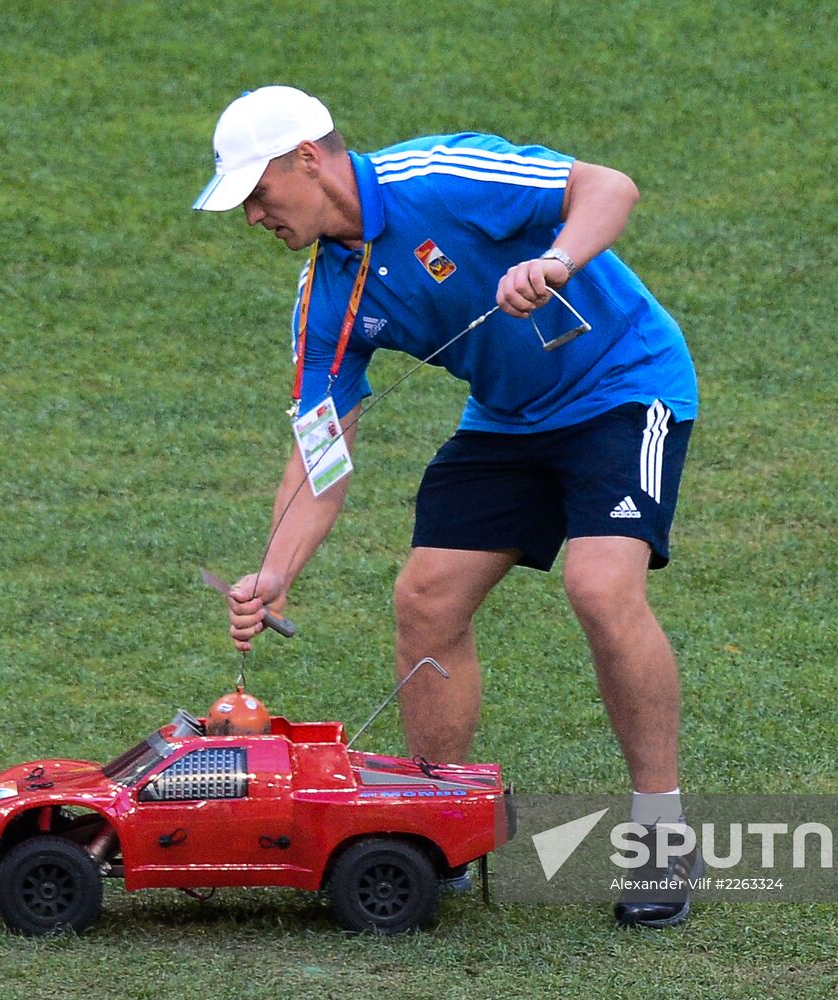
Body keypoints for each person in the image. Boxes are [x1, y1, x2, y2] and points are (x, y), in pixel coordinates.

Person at [193, 86, 700, 927]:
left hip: (623, 385)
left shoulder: (438, 176)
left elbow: (609, 186)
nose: (252, 215)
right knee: (424, 599)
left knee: (601, 587)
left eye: (257, 192)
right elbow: (323, 448)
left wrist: (558, 261)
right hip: (506, 420)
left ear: (307, 160)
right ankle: (438, 831)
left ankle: (661, 835)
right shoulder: (326, 295)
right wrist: (276, 571)